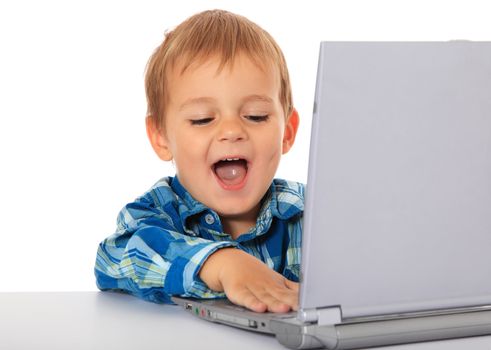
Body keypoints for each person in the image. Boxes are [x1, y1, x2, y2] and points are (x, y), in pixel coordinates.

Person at [95, 9, 303, 313]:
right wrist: (221, 263)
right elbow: (114, 257)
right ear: (161, 137)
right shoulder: (154, 213)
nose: (232, 131)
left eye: (256, 116)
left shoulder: (308, 212)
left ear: (287, 132)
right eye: (202, 119)